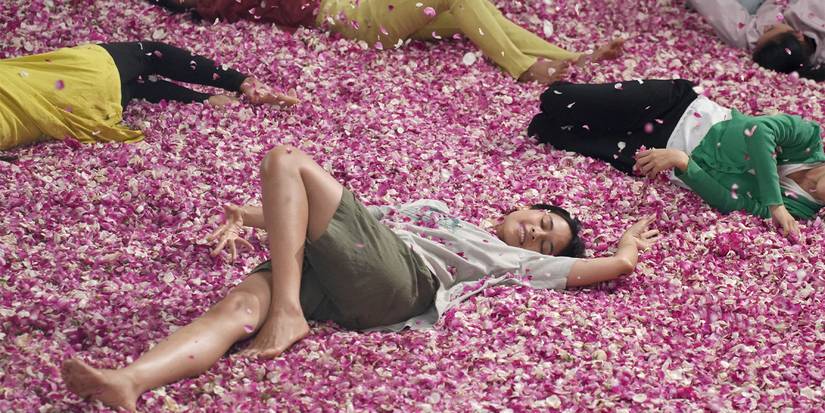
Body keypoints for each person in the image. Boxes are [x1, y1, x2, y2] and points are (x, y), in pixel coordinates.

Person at [62, 145, 659, 411]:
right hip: (348, 265)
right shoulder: (438, 212)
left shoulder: (513, 261)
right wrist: (250, 215)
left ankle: (290, 311)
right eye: (542, 221)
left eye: (547, 242)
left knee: (286, 158)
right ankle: (130, 381)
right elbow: (340, 218)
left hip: (400, 279)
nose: (535, 235)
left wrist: (628, 245)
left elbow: (614, 266)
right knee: (238, 310)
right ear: (522, 205)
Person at [528, 79, 825, 239]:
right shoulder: (809, 139)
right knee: (556, 99)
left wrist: (684, 163)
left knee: (549, 131)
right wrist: (775, 204)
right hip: (677, 108)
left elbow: (732, 202)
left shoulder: (799, 211)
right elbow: (758, 132)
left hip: (662, 159)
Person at [150, 0, 625, 84]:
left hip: (377, 10)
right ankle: (524, 68)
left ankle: (569, 58)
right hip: (353, 18)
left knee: (469, 10)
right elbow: (212, 6)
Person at [0, 41, 298, 151]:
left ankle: (207, 100)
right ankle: (242, 83)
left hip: (84, 112)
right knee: (149, 54)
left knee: (136, 87)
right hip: (81, 75)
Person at [687, 0, 825, 81]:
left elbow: (716, 7)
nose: (766, 27)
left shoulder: (753, 39)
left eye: (768, 31)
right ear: (798, 35)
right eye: (771, 29)